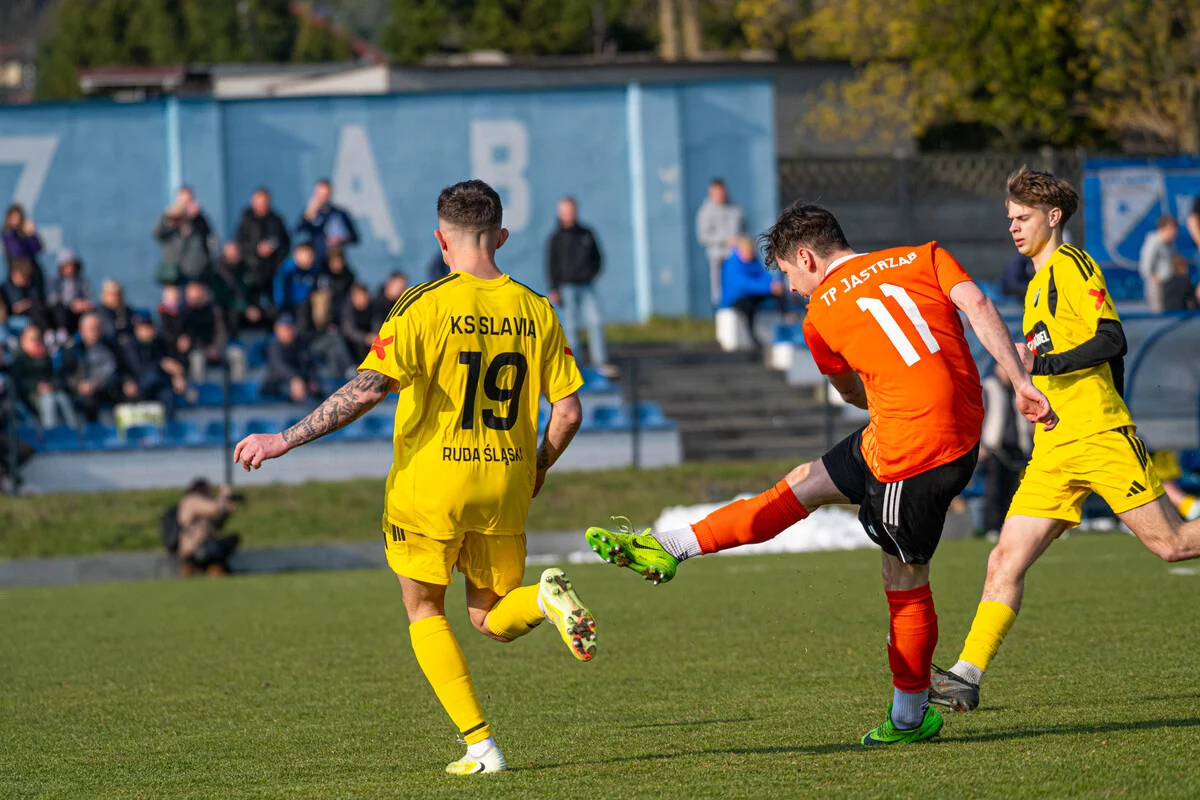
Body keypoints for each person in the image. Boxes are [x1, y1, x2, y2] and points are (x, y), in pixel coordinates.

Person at [585, 200, 1056, 746]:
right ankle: (671, 545)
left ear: (806, 257)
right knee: (806, 481)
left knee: (903, 577)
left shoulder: (818, 319)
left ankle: (910, 717)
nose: (790, 288)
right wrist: (1019, 380)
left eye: (787, 274)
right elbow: (975, 301)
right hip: (945, 432)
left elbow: (852, 392)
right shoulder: (923, 255)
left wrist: (881, 389)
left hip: (915, 454)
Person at [233, 179, 594, 776]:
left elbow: (368, 388)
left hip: (433, 488)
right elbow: (571, 410)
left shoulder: (422, 305)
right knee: (492, 616)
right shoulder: (538, 309)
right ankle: (546, 600)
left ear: (441, 240)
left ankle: (482, 749)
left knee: (425, 609)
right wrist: (538, 466)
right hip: (505, 483)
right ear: (500, 237)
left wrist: (284, 439)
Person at [930, 167, 1200, 713]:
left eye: (1023, 218)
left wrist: (1053, 370)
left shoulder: (1073, 266)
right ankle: (966, 675)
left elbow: (1112, 338)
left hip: (1099, 436)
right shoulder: (1032, 286)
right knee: (1004, 559)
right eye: (1009, 219)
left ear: (1053, 218)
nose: (1013, 227)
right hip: (1054, 449)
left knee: (1172, 545)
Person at [546, 197, 615, 377]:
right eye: (566, 212)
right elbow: (551, 265)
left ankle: (600, 362)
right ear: (560, 214)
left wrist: (594, 272)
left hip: (586, 286)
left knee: (596, 321)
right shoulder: (556, 238)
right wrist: (554, 288)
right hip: (566, 288)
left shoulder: (586, 233)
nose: (569, 215)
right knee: (571, 326)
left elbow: (598, 256)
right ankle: (574, 365)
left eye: (572, 211)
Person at [979, 363, 1032, 538]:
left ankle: (1008, 526)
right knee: (994, 489)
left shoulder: (1019, 389)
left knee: (1013, 490)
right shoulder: (989, 387)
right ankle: (992, 527)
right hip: (995, 447)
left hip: (1016, 447)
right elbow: (981, 416)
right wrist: (981, 445)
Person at [63, 312, 137, 422]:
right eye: (92, 329)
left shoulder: (111, 347)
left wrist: (128, 381)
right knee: (90, 403)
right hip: (88, 394)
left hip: (111, 388)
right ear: (82, 331)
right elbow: (66, 376)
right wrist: (79, 385)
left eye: (98, 328)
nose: (96, 332)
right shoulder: (73, 351)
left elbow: (123, 368)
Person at [720, 236, 786, 354]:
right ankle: (752, 338)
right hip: (736, 297)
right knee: (748, 307)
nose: (750, 253)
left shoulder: (752, 260)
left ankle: (785, 320)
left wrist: (775, 284)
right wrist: (768, 288)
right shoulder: (732, 263)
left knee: (778, 294)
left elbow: (763, 276)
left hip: (752, 294)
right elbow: (742, 284)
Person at [11, 324, 79, 429]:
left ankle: (75, 432)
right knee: (49, 400)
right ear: (23, 340)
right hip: (30, 395)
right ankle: (50, 433)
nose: (37, 342)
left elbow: (55, 376)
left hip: (50, 390)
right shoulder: (19, 359)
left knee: (63, 398)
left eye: (38, 338)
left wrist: (51, 385)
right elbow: (19, 382)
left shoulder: (46, 356)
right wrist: (37, 387)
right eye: (33, 339)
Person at [122, 313, 188, 419]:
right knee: (153, 376)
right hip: (139, 384)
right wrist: (161, 364)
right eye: (143, 328)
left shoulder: (160, 343)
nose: (147, 331)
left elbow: (173, 363)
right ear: (137, 330)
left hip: (159, 385)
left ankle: (168, 427)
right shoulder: (130, 345)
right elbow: (138, 368)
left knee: (169, 394)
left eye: (149, 328)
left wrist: (177, 377)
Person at [178, 282, 247, 383]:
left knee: (237, 354)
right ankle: (201, 390)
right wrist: (205, 348)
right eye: (191, 292)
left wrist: (216, 348)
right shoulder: (183, 313)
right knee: (197, 358)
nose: (194, 295)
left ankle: (239, 388)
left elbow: (221, 332)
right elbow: (185, 337)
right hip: (198, 349)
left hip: (216, 347)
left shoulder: (214, 310)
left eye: (197, 291)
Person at [235, 186, 291, 305]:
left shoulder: (276, 220)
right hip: (251, 271)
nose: (262, 205)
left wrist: (274, 251)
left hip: (272, 272)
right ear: (252, 202)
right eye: (259, 202)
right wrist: (256, 249)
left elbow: (285, 243)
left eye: (264, 202)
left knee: (275, 308)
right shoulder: (246, 221)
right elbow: (240, 244)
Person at [696, 178, 746, 307]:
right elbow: (703, 236)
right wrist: (724, 240)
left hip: (736, 255)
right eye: (717, 193)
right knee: (718, 289)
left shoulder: (735, 209)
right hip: (717, 256)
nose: (720, 195)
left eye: (722, 192)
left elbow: (744, 229)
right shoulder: (706, 212)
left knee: (737, 284)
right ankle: (719, 310)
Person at [175, 480, 241, 576]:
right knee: (216, 549)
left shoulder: (190, 502)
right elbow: (214, 508)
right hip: (195, 547)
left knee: (231, 539)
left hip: (201, 546)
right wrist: (224, 496)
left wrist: (227, 511)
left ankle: (212, 568)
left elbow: (216, 524)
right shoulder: (192, 500)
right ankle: (209, 568)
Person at [153, 186, 214, 285]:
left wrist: (195, 218)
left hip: (195, 270)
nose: (186, 204)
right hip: (174, 270)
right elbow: (157, 234)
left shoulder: (199, 218)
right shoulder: (169, 215)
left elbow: (208, 236)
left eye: (189, 200)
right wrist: (171, 221)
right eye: (183, 201)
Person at [295, 178, 358, 267]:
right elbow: (298, 232)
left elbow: (355, 238)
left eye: (325, 195)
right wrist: (308, 214)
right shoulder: (310, 214)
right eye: (320, 195)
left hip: (335, 263)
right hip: (316, 262)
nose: (323, 198)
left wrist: (341, 239)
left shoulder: (339, 214)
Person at [260, 314, 320, 403]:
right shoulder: (273, 344)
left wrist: (313, 379)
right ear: (277, 330)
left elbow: (310, 363)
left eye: (290, 329)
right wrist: (294, 378)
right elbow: (279, 366)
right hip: (278, 385)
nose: (288, 332)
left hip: (302, 384)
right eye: (285, 329)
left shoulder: (302, 343)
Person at [211, 240, 266, 335]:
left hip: (249, 306)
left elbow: (254, 289)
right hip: (230, 309)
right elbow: (223, 297)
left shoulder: (245, 268)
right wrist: (245, 308)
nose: (235, 254)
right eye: (232, 252)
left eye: (237, 251)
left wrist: (253, 306)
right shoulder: (217, 271)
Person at [47, 248, 95, 341]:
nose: (69, 268)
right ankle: (62, 333)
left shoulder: (82, 281)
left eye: (71, 265)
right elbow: (52, 299)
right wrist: (71, 304)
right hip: (60, 314)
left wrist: (84, 304)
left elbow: (91, 299)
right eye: (66, 265)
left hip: (78, 314)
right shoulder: (54, 281)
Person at [1137, 214, 1177, 312]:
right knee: (1158, 314)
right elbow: (1145, 264)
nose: (1174, 232)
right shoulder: (1153, 242)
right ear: (1163, 228)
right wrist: (1152, 278)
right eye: (1171, 228)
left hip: (1169, 285)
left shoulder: (1170, 244)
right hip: (1157, 286)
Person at [273, 242, 319, 324]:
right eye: (308, 255)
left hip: (306, 309)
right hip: (288, 309)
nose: (311, 258)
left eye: (312, 255)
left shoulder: (314, 270)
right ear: (297, 255)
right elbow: (279, 293)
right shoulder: (287, 270)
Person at [2, 204, 45, 292]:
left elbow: (38, 248)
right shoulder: (8, 234)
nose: (16, 220)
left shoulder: (26, 232)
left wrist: (31, 235)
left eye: (18, 217)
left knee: (36, 300)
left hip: (32, 272)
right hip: (17, 273)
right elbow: (17, 251)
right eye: (14, 217)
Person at [2, 258, 50, 331]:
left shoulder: (30, 287)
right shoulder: (5, 288)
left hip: (29, 316)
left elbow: (36, 300)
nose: (26, 281)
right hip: (12, 319)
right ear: (14, 274)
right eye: (24, 277)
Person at [340, 282, 377, 363]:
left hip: (368, 341)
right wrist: (365, 338)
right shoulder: (347, 309)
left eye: (364, 296)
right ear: (353, 297)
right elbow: (349, 331)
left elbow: (377, 324)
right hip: (350, 344)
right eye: (360, 296)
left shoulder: (372, 308)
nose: (363, 299)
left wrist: (374, 336)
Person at [97, 279, 135, 345]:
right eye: (112, 295)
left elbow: (135, 325)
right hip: (109, 345)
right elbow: (110, 331)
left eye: (118, 295)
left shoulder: (127, 310)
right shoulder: (101, 311)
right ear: (104, 295)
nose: (116, 298)